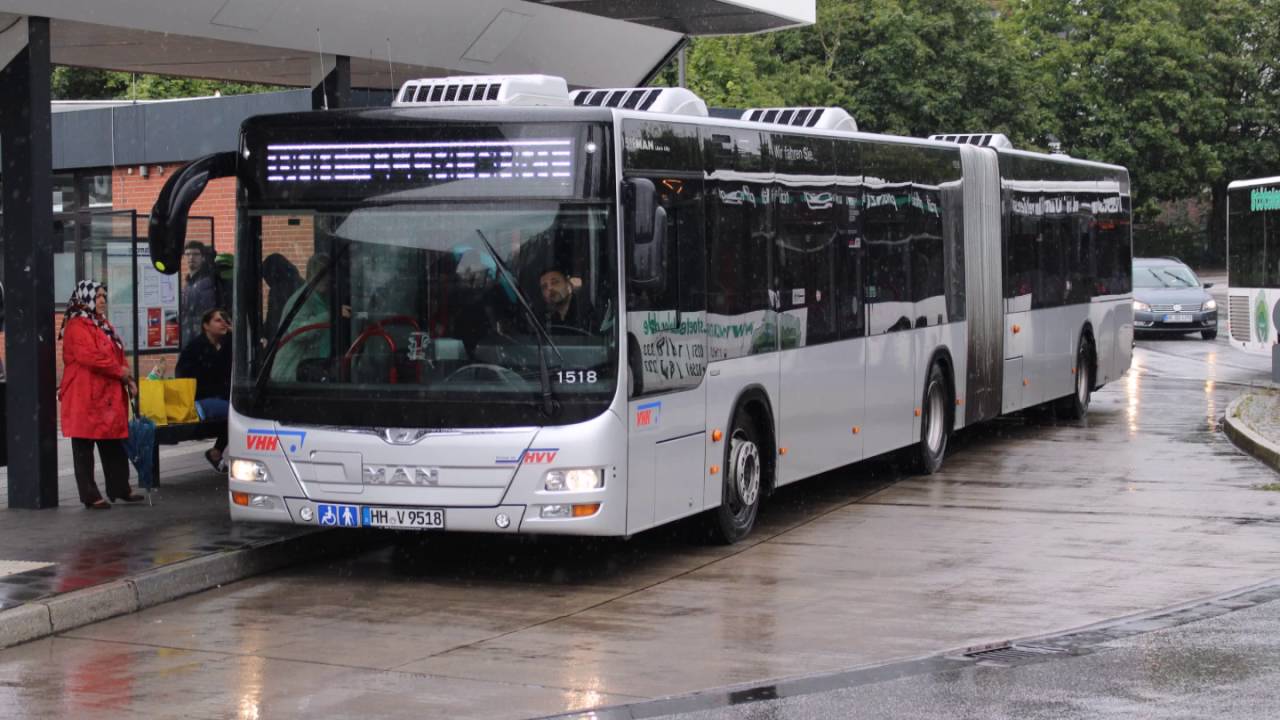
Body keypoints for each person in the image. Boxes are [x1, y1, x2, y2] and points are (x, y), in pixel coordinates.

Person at [58, 281, 145, 509]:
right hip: (84, 396)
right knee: (84, 448)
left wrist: (129, 379)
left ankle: (120, 488)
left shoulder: (101, 324)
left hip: (105, 396)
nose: (102, 300)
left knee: (113, 443)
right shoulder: (77, 326)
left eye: (104, 296)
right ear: (85, 298)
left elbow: (117, 355)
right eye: (97, 296)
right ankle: (90, 495)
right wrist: (122, 374)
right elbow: (91, 357)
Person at [270, 254, 350, 382]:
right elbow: (297, 332)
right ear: (310, 275)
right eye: (320, 275)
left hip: (309, 370)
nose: (325, 279)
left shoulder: (324, 298)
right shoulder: (302, 300)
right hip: (290, 374)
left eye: (327, 274)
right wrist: (331, 315)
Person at [177, 308, 233, 471]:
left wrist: (233, 333)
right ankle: (217, 451)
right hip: (201, 398)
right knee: (236, 413)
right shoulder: (195, 348)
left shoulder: (225, 344)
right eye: (217, 320)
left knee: (241, 410)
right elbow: (186, 375)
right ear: (206, 326)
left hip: (220, 396)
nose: (223, 324)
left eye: (225, 320)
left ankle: (216, 451)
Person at [539, 266, 597, 334]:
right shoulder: (542, 320)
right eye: (544, 286)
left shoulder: (585, 312)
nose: (549, 288)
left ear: (568, 284)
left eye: (555, 282)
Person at [181, 241, 218, 346]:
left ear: (203, 258)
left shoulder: (206, 282)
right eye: (188, 254)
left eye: (196, 254)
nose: (191, 257)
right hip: (189, 337)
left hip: (200, 339)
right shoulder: (189, 283)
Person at [261, 253, 303, 344]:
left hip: (284, 343)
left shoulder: (278, 291)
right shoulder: (302, 284)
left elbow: (274, 323)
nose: (267, 282)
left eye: (266, 277)